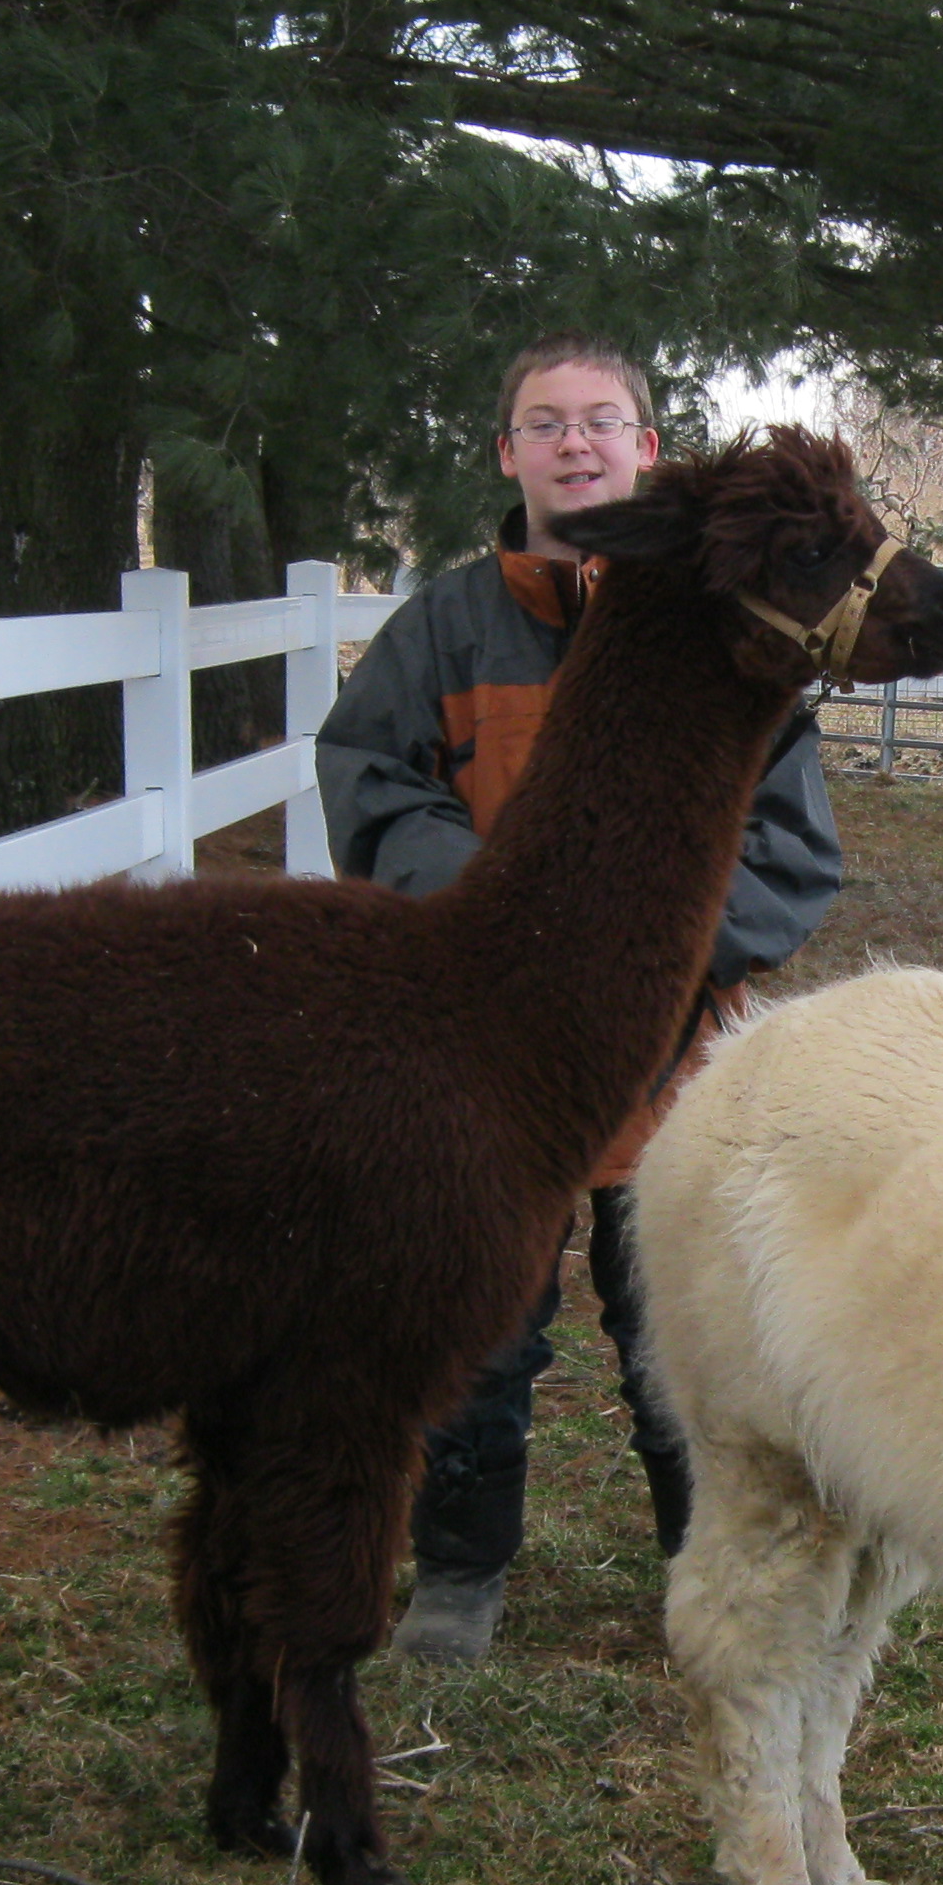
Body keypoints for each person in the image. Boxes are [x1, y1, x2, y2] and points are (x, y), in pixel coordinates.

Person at [315, 334, 846, 1662]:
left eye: (601, 421)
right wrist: (496, 920)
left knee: (679, 1330)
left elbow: (791, 846)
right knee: (480, 1326)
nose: (574, 443)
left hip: (663, 1064)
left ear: (645, 452)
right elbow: (374, 783)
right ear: (510, 456)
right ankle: (458, 1571)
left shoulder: (722, 635)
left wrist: (651, 951)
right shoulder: (445, 626)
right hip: (484, 1064)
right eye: (543, 424)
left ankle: (703, 1566)